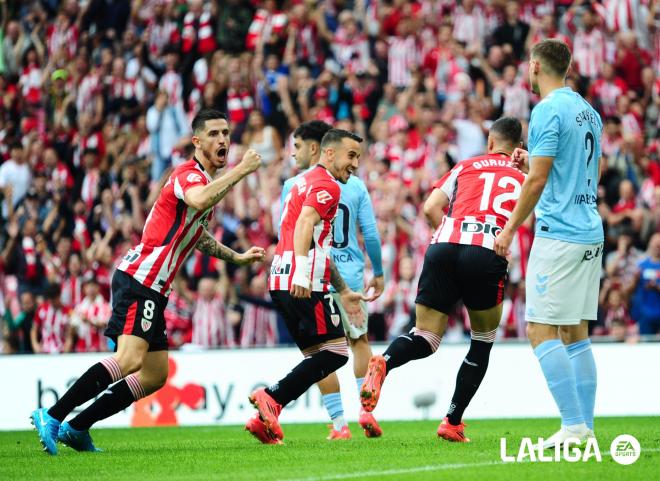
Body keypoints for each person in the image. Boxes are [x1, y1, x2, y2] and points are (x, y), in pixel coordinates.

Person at [31, 109, 266, 455]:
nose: (223, 140)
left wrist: (237, 257)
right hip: (141, 278)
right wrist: (242, 170)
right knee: (127, 360)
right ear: (197, 142)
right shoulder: (189, 175)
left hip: (155, 286)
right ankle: (52, 415)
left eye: (226, 133)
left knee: (154, 374)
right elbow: (200, 200)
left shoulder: (204, 183)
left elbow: (198, 237)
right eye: (214, 134)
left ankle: (77, 428)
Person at [359, 117, 526, 443]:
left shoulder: (465, 165)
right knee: (482, 339)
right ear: (517, 147)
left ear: (490, 143)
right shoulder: (522, 174)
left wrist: (449, 237)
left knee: (425, 335)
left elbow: (430, 206)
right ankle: (452, 420)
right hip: (487, 249)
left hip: (444, 244)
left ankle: (384, 361)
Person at [494, 39, 602, 448]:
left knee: (540, 329)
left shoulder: (545, 109)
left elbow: (540, 181)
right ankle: (585, 427)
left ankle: (573, 425)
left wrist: (508, 229)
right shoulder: (588, 112)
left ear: (536, 66)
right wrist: (532, 165)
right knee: (576, 331)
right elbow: (570, 172)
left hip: (559, 234)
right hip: (589, 229)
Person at [245, 129, 367, 444]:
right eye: (350, 155)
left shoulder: (301, 182)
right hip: (303, 282)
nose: (354, 164)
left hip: (281, 279)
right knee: (338, 352)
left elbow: (316, 243)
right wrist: (301, 272)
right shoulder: (327, 184)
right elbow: (304, 225)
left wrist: (342, 290)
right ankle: (272, 397)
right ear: (328, 153)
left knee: (316, 358)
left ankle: (265, 418)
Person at [280, 120, 385, 440]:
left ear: (316, 148)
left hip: (314, 275)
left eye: (297, 146)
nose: (294, 153)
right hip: (349, 276)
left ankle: (339, 425)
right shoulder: (355, 185)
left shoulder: (294, 185)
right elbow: (370, 233)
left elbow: (287, 232)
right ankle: (366, 411)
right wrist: (378, 272)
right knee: (358, 342)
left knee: (319, 351)